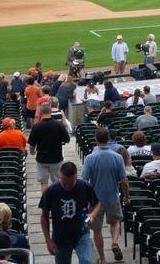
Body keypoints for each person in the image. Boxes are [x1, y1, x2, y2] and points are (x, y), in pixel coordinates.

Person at [81, 128, 128, 263]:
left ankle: (102, 258)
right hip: (112, 197)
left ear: (96, 139)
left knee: (96, 230)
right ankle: (114, 241)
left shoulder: (90, 158)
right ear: (108, 139)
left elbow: (84, 180)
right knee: (116, 221)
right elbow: (124, 180)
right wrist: (126, 196)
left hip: (95, 201)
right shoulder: (118, 157)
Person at [29, 103, 71, 192]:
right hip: (56, 158)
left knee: (43, 183)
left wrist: (32, 151)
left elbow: (32, 145)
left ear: (41, 112)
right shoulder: (59, 125)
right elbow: (67, 139)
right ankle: (55, 201)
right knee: (57, 182)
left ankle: (46, 201)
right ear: (51, 111)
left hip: (42, 159)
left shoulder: (36, 127)